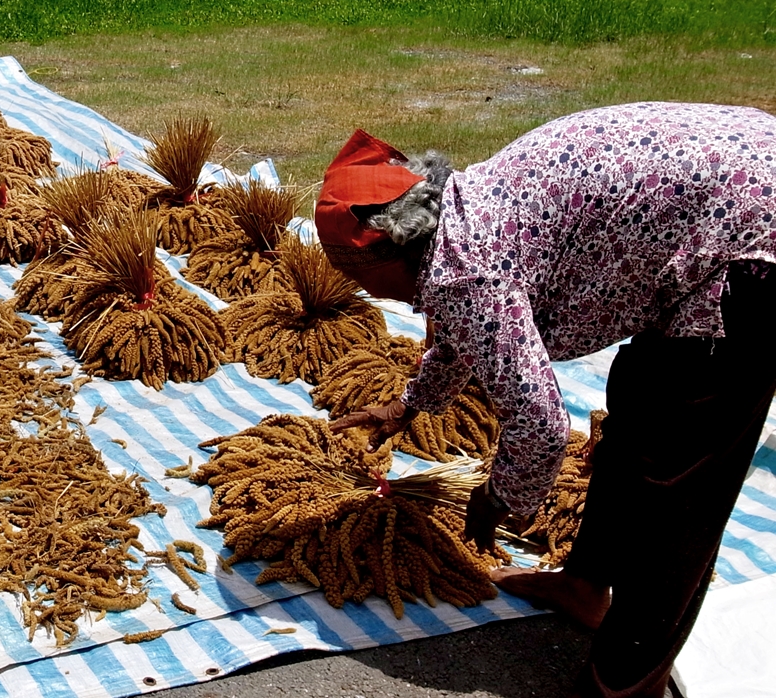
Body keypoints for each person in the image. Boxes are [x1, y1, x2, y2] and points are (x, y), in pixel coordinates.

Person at [318, 103, 776, 698]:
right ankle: (586, 585)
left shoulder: (465, 272)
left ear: (385, 252)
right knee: (640, 400)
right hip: (720, 195)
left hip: (752, 242)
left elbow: (541, 423)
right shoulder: (453, 218)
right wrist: (409, 405)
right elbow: (476, 329)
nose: (363, 292)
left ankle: (621, 687)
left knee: (679, 488)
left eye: (355, 277)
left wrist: (501, 496)